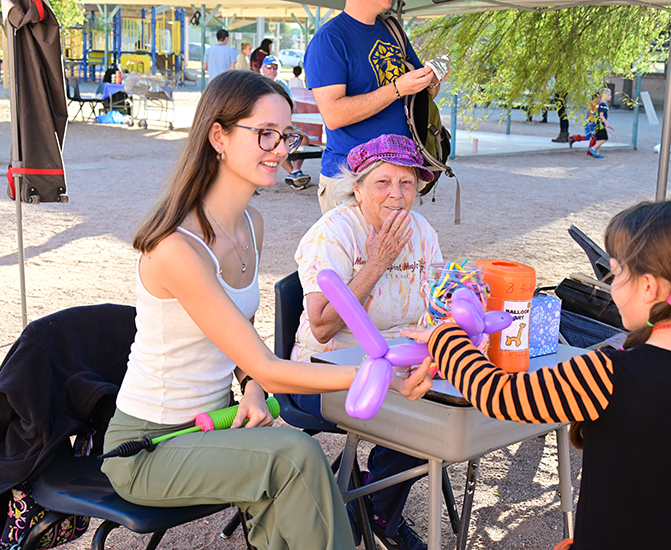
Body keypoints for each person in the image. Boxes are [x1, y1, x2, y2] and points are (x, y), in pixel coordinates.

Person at [99, 71, 432, 550]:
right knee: (296, 456)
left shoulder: (251, 224)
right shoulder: (177, 248)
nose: (282, 149)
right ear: (218, 136)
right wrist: (379, 374)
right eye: (265, 134)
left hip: (216, 424)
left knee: (292, 477)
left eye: (287, 135)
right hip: (149, 447)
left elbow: (244, 348)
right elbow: (268, 365)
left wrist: (251, 388)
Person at [403, 200, 671, 550]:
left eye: (616, 273)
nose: (612, 285)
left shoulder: (608, 372)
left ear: (649, 287)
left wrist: (444, 336)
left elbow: (499, 394)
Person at [290, 134, 443, 550]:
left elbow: (435, 303)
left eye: (407, 183)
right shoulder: (334, 233)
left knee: (448, 404)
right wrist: (376, 264)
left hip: (398, 360)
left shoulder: (422, 231)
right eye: (383, 182)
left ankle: (373, 503)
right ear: (357, 188)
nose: (397, 194)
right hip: (325, 369)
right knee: (424, 419)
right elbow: (321, 326)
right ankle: (378, 510)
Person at [304, 0, 441, 214]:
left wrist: (431, 80)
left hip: (399, 174)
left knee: (393, 247)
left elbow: (424, 93)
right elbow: (333, 114)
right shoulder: (330, 39)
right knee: (355, 248)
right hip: (352, 178)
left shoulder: (393, 30)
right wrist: (396, 89)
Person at [260, 55, 313, 190]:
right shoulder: (257, 84)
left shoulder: (282, 84)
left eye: (275, 67)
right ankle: (294, 173)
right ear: (262, 68)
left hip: (283, 124)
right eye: (269, 67)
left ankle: (295, 171)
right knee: (277, 143)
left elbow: (292, 105)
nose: (273, 70)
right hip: (265, 126)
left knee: (303, 139)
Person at [589, 87, 612, 158]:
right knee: (604, 138)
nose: (611, 96)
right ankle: (593, 148)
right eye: (609, 95)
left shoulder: (602, 104)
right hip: (600, 125)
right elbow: (601, 115)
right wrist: (606, 123)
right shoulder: (603, 105)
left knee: (599, 139)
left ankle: (597, 153)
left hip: (598, 124)